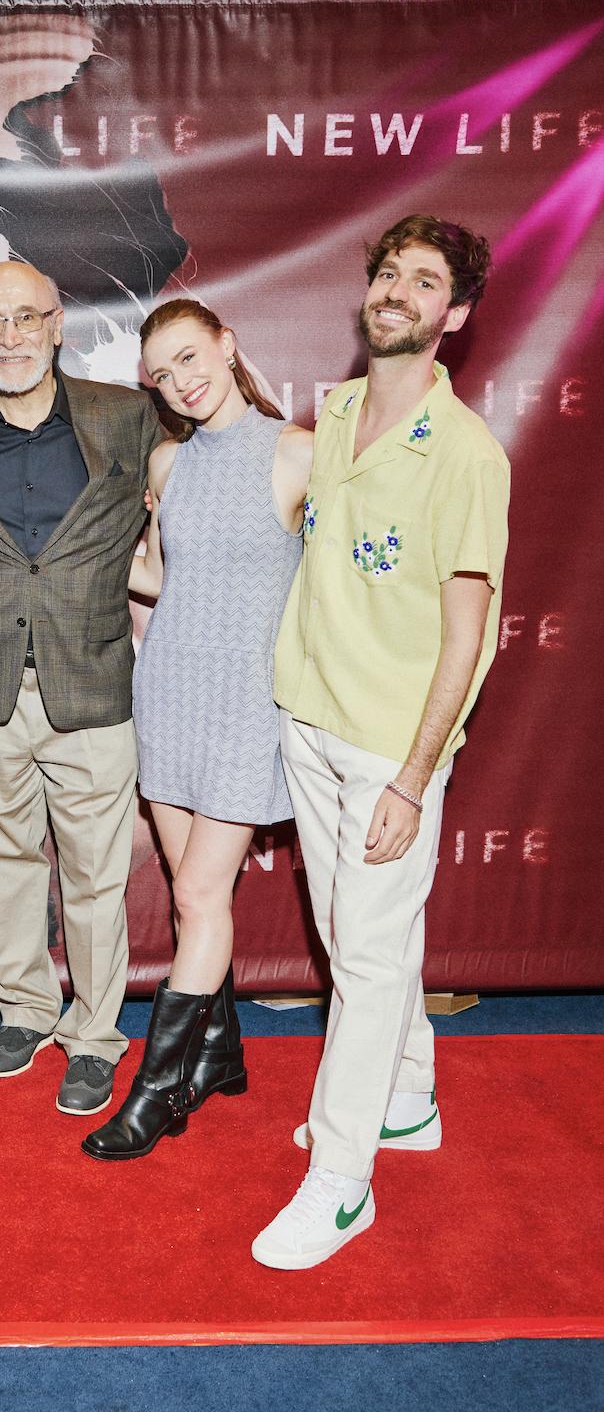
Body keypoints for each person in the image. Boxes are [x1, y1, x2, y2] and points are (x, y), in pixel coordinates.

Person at [251, 214, 509, 1269]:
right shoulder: (343, 406)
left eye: (424, 282)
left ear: (453, 316)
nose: (397, 291)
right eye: (389, 272)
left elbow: (467, 635)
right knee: (352, 935)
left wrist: (412, 776)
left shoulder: (466, 454)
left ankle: (342, 1181)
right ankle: (406, 1093)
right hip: (306, 718)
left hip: (386, 749)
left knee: (361, 956)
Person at [0, 260, 161, 1117]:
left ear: (58, 325)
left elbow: (167, 517)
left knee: (96, 875)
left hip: (91, 678)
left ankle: (94, 1036)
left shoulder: (124, 415)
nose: (10, 337)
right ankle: (23, 1010)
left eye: (27, 318)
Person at [82, 300, 312, 1162]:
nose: (182, 381)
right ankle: (219, 1053)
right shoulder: (169, 460)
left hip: (249, 705)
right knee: (194, 893)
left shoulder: (296, 451)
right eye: (162, 374)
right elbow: (157, 578)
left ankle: (156, 1091)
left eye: (190, 357)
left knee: (196, 899)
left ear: (227, 343)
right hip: (170, 690)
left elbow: (334, 586)